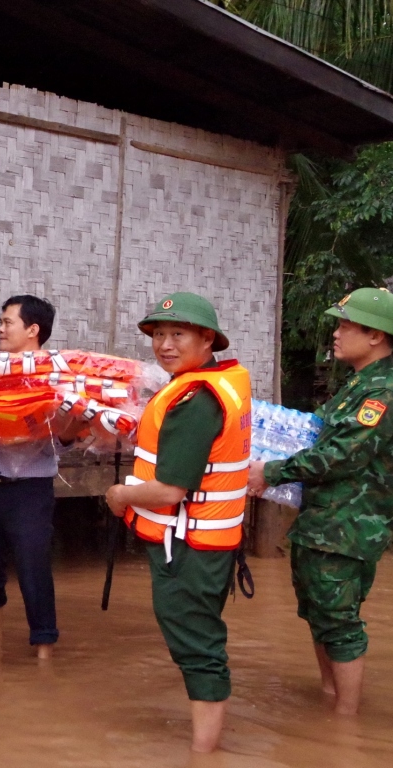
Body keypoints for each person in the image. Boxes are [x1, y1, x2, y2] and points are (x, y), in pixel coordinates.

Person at [105, 292, 251, 754]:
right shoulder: (210, 383)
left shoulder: (198, 400)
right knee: (197, 637)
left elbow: (170, 490)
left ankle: (203, 754)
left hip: (188, 545)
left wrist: (120, 495)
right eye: (159, 334)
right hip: (200, 541)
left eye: (178, 334)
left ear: (207, 340)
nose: (165, 344)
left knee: (197, 645)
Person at [248, 287, 393, 716]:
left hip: (348, 527)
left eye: (347, 325)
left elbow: (341, 454)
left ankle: (345, 724)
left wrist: (270, 472)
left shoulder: (381, 393)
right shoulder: (358, 384)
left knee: (340, 623)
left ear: (376, 336)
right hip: (324, 521)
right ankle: (330, 701)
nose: (337, 332)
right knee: (318, 614)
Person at [0, 296, 78, 659]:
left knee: (33, 567)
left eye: (7, 322)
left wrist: (56, 418)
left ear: (33, 330)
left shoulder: (56, 377)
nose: (0, 328)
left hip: (31, 489)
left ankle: (44, 648)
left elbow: (66, 440)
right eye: (0, 321)